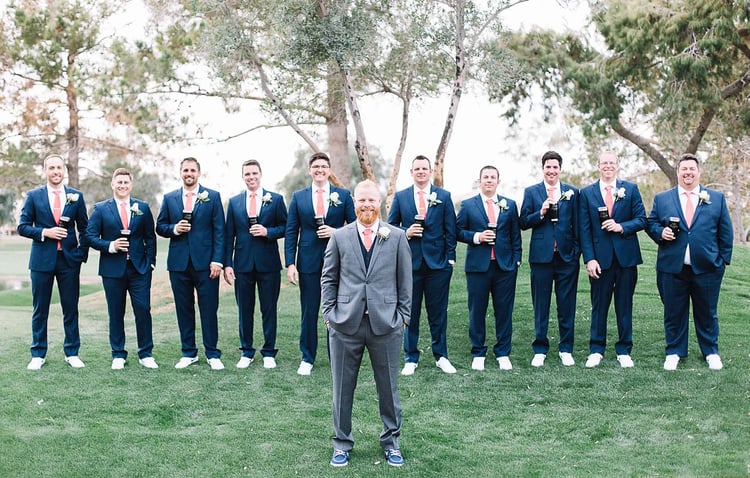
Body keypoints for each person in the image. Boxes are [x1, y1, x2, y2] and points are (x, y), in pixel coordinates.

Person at [321, 180, 412, 468]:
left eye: (371, 200)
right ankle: (341, 443)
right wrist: (329, 315)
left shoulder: (396, 237)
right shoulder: (340, 237)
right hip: (345, 324)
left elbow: (405, 281)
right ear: (354, 203)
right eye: (361, 201)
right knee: (342, 388)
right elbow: (329, 278)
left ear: (380, 203)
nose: (367, 205)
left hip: (386, 325)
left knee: (388, 388)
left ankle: (391, 442)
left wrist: (403, 319)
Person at [646, 153, 733, 371]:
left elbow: (726, 233)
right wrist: (660, 232)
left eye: (691, 169)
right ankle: (674, 351)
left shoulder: (716, 198)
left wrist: (722, 261)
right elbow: (651, 223)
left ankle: (711, 352)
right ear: (678, 172)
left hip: (707, 268)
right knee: (674, 312)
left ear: (698, 172)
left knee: (707, 312)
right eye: (683, 169)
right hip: (672, 267)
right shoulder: (662, 198)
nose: (688, 173)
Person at [284, 152, 356, 376]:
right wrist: (290, 264)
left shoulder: (343, 195)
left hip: (338, 261)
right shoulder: (299, 197)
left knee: (337, 310)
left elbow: (355, 227)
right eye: (316, 166)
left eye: (324, 166)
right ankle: (307, 357)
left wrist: (336, 232)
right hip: (308, 262)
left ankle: (337, 356)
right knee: (309, 310)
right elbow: (290, 232)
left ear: (329, 170)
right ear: (309, 170)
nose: (320, 170)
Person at [387, 155, 458, 375]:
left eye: (424, 168)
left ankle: (441, 356)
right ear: (411, 172)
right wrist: (406, 232)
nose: (420, 172)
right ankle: (411, 357)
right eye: (417, 168)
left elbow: (451, 229)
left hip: (438, 265)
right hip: (410, 264)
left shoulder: (443, 196)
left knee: (438, 313)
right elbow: (390, 227)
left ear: (430, 172)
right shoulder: (401, 197)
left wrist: (450, 258)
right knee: (410, 313)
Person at [18, 154, 89, 370]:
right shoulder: (33, 196)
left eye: (59, 167)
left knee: (71, 307)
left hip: (69, 261)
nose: (56, 171)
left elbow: (85, 229)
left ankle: (72, 352)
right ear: (45, 170)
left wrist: (80, 255)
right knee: (40, 308)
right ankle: (38, 354)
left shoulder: (76, 196)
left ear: (64, 170)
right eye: (51, 168)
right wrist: (45, 232)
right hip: (41, 261)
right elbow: (22, 226)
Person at [156, 157, 226, 370]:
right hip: (178, 264)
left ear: (199, 173)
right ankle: (188, 352)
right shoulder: (170, 198)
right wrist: (175, 229)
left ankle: (212, 353)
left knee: (208, 308)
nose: (189, 173)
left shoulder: (212, 197)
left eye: (192, 170)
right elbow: (160, 226)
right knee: (183, 308)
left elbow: (219, 231)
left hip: (206, 264)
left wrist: (217, 261)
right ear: (180, 172)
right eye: (185, 170)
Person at [86, 168, 158, 369]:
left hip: (139, 269)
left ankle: (146, 354)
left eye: (126, 182)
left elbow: (150, 237)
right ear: (112, 184)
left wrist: (150, 263)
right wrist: (111, 246)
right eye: (119, 182)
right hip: (112, 269)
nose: (122, 186)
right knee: (116, 312)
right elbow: (89, 236)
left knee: (143, 310)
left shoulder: (142, 207)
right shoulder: (101, 209)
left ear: (131, 185)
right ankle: (118, 353)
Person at [579, 152, 646, 369]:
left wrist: (621, 227)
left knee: (624, 304)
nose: (608, 166)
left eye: (612, 162)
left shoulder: (631, 189)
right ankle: (596, 349)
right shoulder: (587, 193)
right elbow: (584, 229)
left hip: (626, 258)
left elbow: (642, 219)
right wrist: (589, 259)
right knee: (599, 306)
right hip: (600, 260)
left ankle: (624, 349)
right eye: (604, 163)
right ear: (598, 166)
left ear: (617, 165)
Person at [456, 165, 522, 371]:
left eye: (493, 177)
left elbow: (515, 236)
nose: (489, 180)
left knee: (504, 311)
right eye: (485, 177)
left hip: (504, 267)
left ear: (498, 181)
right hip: (478, 266)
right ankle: (478, 351)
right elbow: (457, 231)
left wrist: (516, 260)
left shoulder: (509, 205)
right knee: (477, 310)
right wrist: (477, 237)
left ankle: (503, 352)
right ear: (479, 180)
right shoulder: (468, 205)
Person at [223, 159, 287, 369]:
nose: (251, 177)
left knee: (269, 309)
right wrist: (228, 264)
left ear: (260, 175)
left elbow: (286, 227)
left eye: (254, 173)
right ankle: (247, 351)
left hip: (268, 263)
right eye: (247, 174)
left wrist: (268, 231)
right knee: (244, 310)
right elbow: (228, 235)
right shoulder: (234, 202)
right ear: (243, 177)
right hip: (242, 264)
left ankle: (269, 352)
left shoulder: (275, 199)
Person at [519, 150, 580, 367]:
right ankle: (540, 348)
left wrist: (575, 251)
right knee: (541, 304)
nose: (551, 170)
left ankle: (566, 348)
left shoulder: (572, 192)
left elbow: (579, 224)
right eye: (548, 167)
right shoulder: (532, 192)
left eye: (555, 167)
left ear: (560, 169)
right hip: (541, 257)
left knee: (566, 304)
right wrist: (540, 212)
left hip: (566, 258)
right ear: (542, 168)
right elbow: (523, 222)